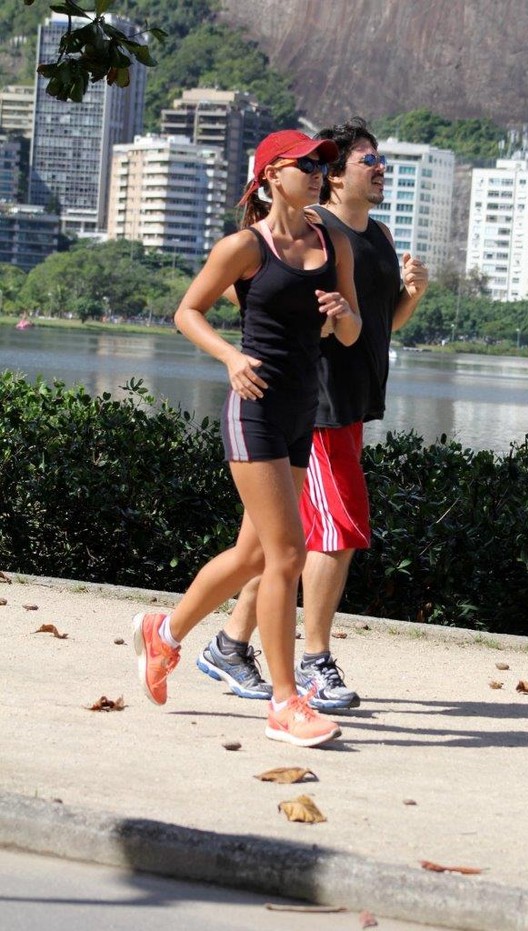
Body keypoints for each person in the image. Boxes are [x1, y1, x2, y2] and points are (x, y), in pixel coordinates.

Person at [132, 129, 361, 747]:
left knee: (255, 557)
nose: (320, 171)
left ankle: (165, 633)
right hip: (253, 409)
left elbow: (350, 334)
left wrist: (344, 315)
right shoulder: (245, 247)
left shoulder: (332, 238)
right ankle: (286, 705)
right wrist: (231, 358)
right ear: (270, 174)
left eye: (325, 163)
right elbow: (187, 312)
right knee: (288, 554)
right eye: (307, 163)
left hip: (301, 411)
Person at [197, 117, 429, 710]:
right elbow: (240, 288)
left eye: (377, 162)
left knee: (270, 546)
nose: (377, 170)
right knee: (333, 532)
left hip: (352, 401)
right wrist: (254, 344)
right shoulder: (307, 228)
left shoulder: (370, 237)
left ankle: (224, 642)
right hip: (314, 401)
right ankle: (311, 663)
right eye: (366, 161)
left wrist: (411, 297)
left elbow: (372, 324)